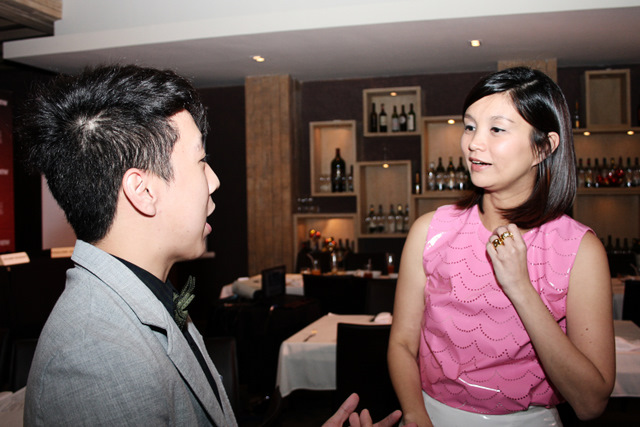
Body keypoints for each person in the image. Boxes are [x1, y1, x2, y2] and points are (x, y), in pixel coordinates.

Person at [19, 64, 405, 427]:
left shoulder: (147, 297)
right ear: (143, 190)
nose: (215, 180)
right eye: (201, 160)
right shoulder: (94, 358)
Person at [388, 67, 615, 426]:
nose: (473, 143)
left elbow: (591, 404)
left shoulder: (581, 251)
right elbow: (402, 343)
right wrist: (415, 415)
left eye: (496, 129)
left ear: (543, 147)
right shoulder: (430, 231)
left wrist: (520, 287)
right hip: (429, 413)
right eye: (469, 126)